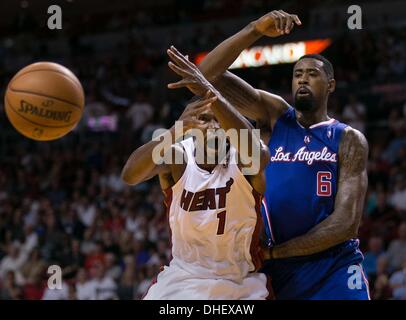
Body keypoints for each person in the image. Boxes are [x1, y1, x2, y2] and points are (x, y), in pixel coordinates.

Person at [168, 9, 369, 299]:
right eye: (298, 74)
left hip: (334, 267)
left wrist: (276, 252)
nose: (302, 79)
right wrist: (254, 29)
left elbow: (345, 224)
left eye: (312, 74)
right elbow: (200, 77)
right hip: (274, 271)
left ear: (331, 85)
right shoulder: (275, 116)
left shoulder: (348, 139)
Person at [121, 49, 270, 299]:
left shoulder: (243, 158)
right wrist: (174, 130)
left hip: (240, 282)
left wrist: (208, 90)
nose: (212, 126)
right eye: (203, 119)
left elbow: (259, 156)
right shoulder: (179, 157)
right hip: (184, 279)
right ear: (189, 125)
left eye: (218, 119)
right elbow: (130, 176)